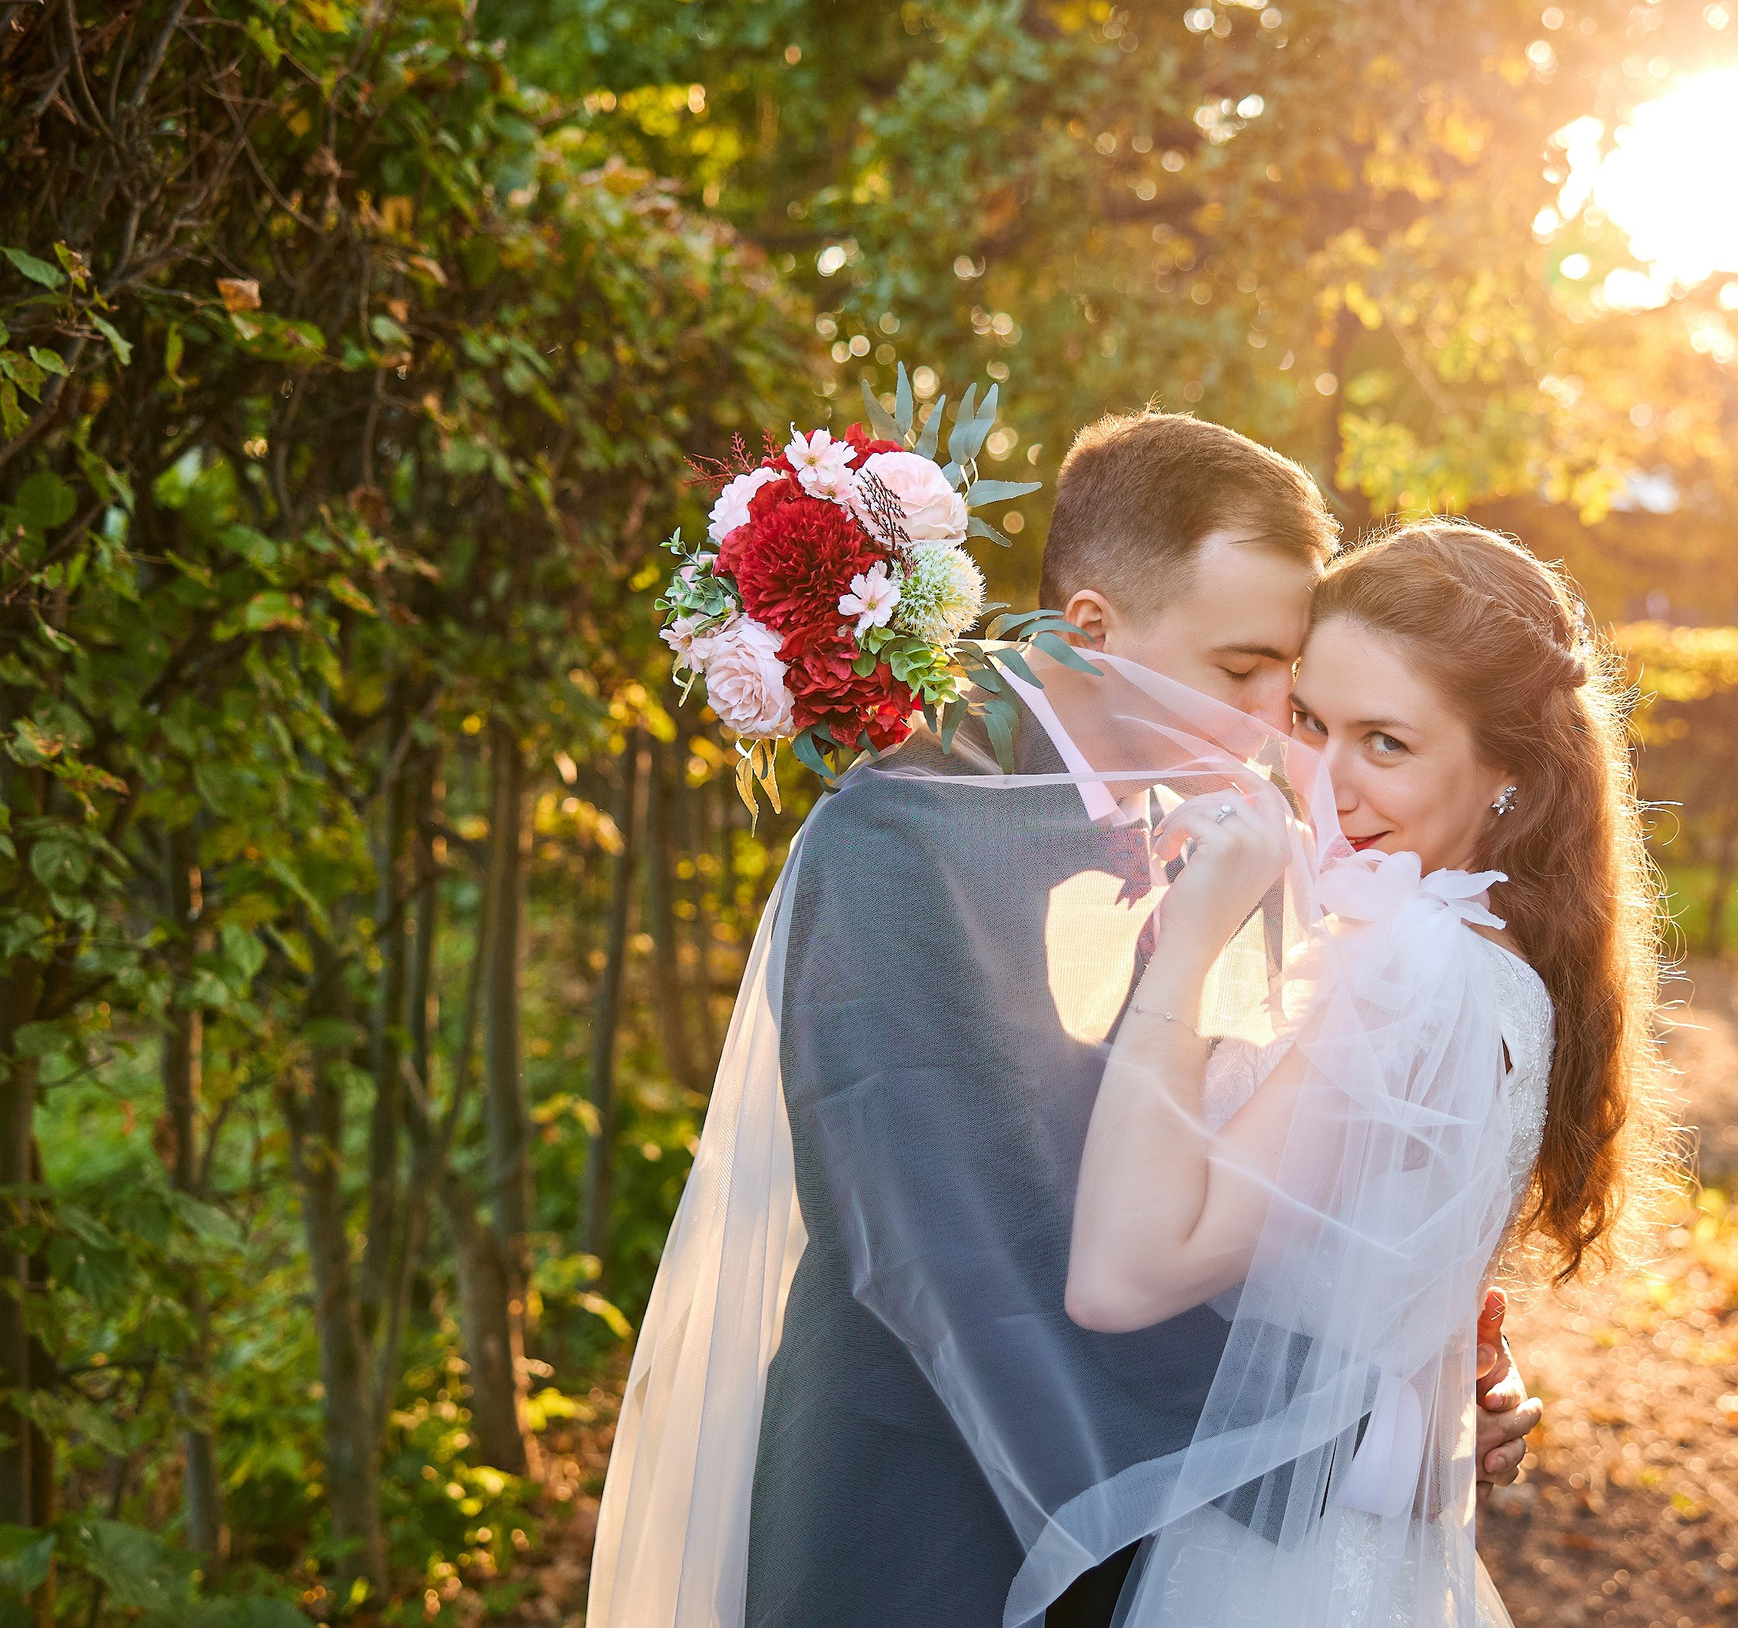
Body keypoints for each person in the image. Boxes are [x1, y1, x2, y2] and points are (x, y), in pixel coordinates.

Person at [586, 417, 1547, 1628]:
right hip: (914, 1525)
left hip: (1149, 1543)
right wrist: (1359, 1438)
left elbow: (1276, 1167)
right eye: (1240, 669)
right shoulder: (895, 839)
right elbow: (969, 1243)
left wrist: (1411, 1342)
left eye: (1289, 686)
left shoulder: (1230, 833)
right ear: (1091, 631)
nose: (1271, 728)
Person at [1055, 517, 1664, 1623]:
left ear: (1507, 774)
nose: (1323, 787)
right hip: (1343, 1539)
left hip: (1266, 1569)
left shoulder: (1412, 963)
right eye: (1307, 722)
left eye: (1385, 742)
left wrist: (1189, 944)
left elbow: (1119, 1280)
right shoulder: (1487, 954)